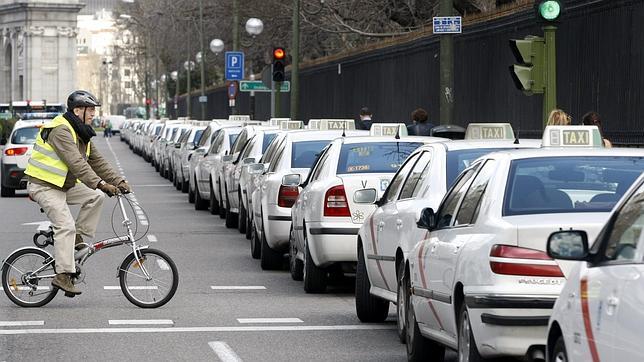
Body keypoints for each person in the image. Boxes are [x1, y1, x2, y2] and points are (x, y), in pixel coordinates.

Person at [25, 90, 132, 296]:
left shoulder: (81, 132)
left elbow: (98, 161)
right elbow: (77, 164)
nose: (93, 114)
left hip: (62, 185)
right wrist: (101, 183)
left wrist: (118, 181)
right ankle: (63, 275)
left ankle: (77, 238)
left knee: (95, 197)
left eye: (94, 110)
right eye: (90, 110)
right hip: (44, 186)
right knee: (65, 226)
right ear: (78, 110)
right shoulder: (61, 131)